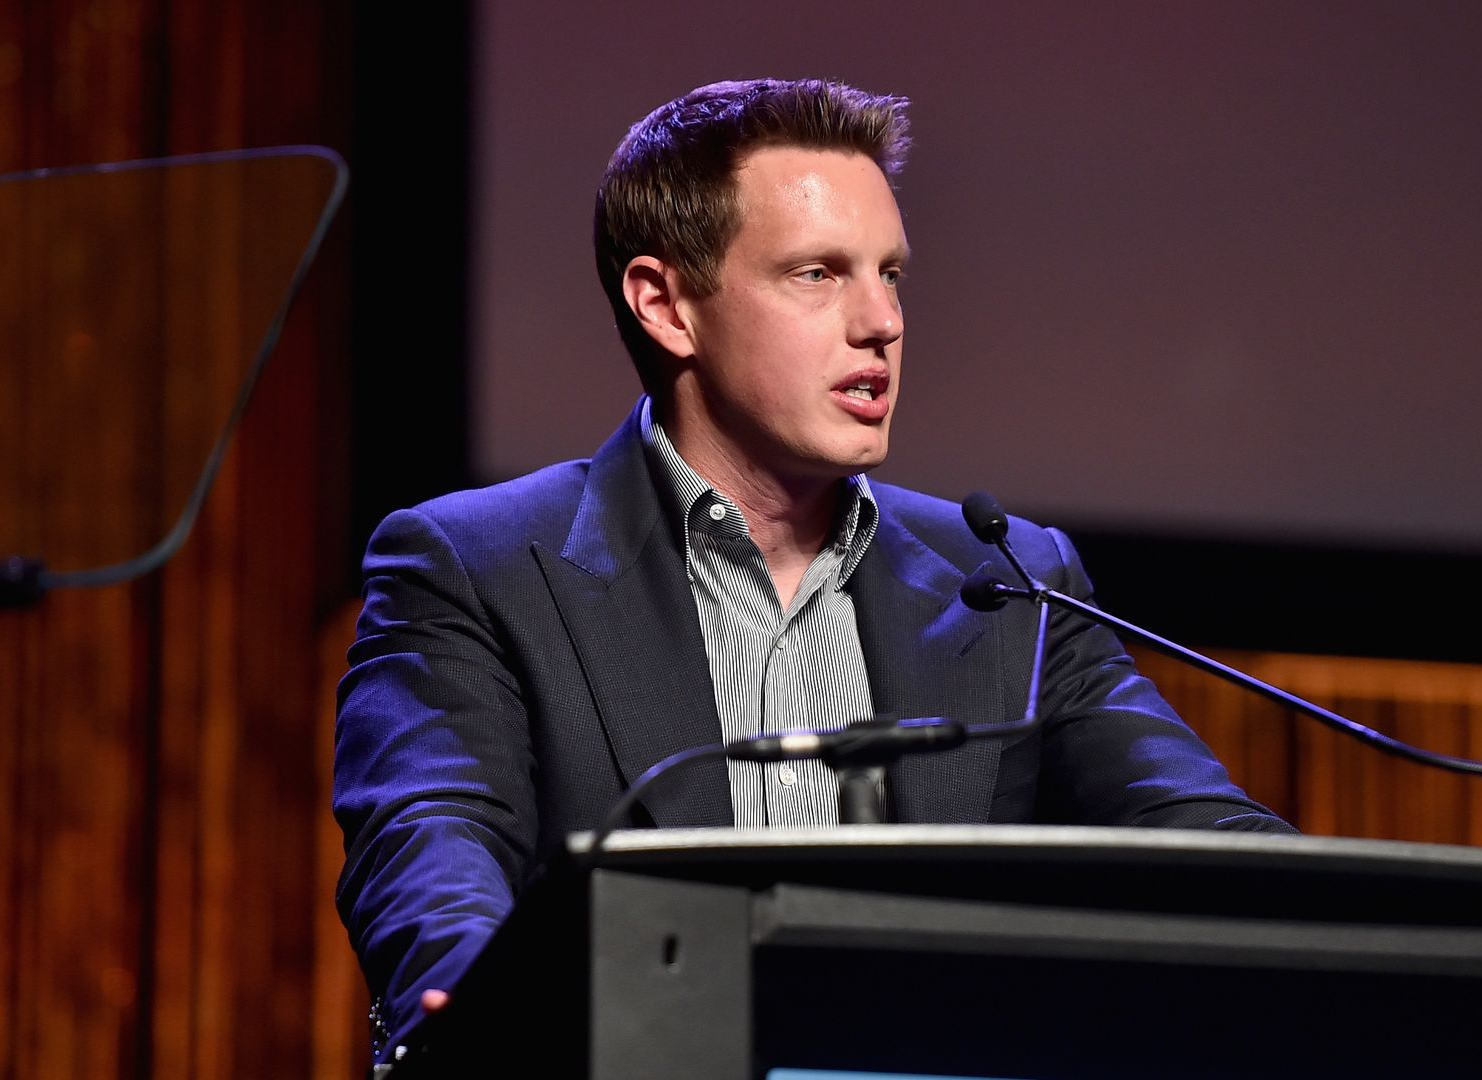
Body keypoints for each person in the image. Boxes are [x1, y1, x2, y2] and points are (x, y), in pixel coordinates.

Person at [334, 77, 1293, 1059]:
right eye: (818, 274)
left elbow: (1208, 846)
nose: (882, 321)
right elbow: (434, 861)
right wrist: (484, 1010)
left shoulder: (1012, 581)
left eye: (892, 273)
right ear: (665, 304)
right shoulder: (476, 569)